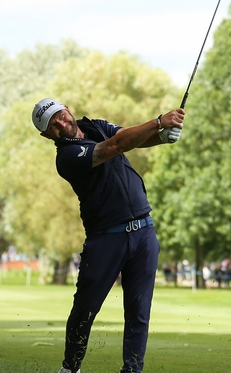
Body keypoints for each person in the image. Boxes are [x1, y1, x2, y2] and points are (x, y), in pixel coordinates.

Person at [32, 98, 184, 373]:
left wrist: (161, 137)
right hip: (105, 238)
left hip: (143, 232)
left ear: (67, 108)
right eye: (52, 125)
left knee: (139, 312)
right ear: (46, 135)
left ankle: (132, 370)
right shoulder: (66, 157)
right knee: (85, 310)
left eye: (60, 115)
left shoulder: (96, 126)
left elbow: (133, 138)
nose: (61, 123)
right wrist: (160, 122)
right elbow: (116, 146)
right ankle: (70, 367)